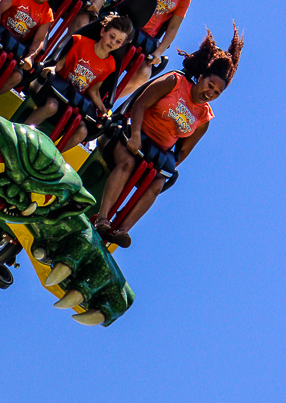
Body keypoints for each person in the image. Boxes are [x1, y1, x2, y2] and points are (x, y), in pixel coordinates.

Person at [94, 24, 243, 248]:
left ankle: (121, 231)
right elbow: (140, 103)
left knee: (157, 182)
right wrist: (134, 135)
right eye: (210, 85)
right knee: (126, 162)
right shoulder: (175, 82)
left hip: (154, 153)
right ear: (201, 77)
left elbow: (181, 153)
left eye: (216, 93)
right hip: (131, 134)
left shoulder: (203, 118)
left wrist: (162, 166)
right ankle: (102, 219)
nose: (210, 93)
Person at [24, 15, 133, 151]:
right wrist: (50, 68)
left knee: (82, 130)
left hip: (73, 103)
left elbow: (93, 89)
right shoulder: (80, 42)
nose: (113, 42)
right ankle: (21, 132)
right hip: (57, 93)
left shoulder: (110, 65)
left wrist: (103, 110)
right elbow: (59, 64)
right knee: (52, 106)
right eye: (112, 36)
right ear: (102, 32)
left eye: (118, 41)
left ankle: (53, 155)